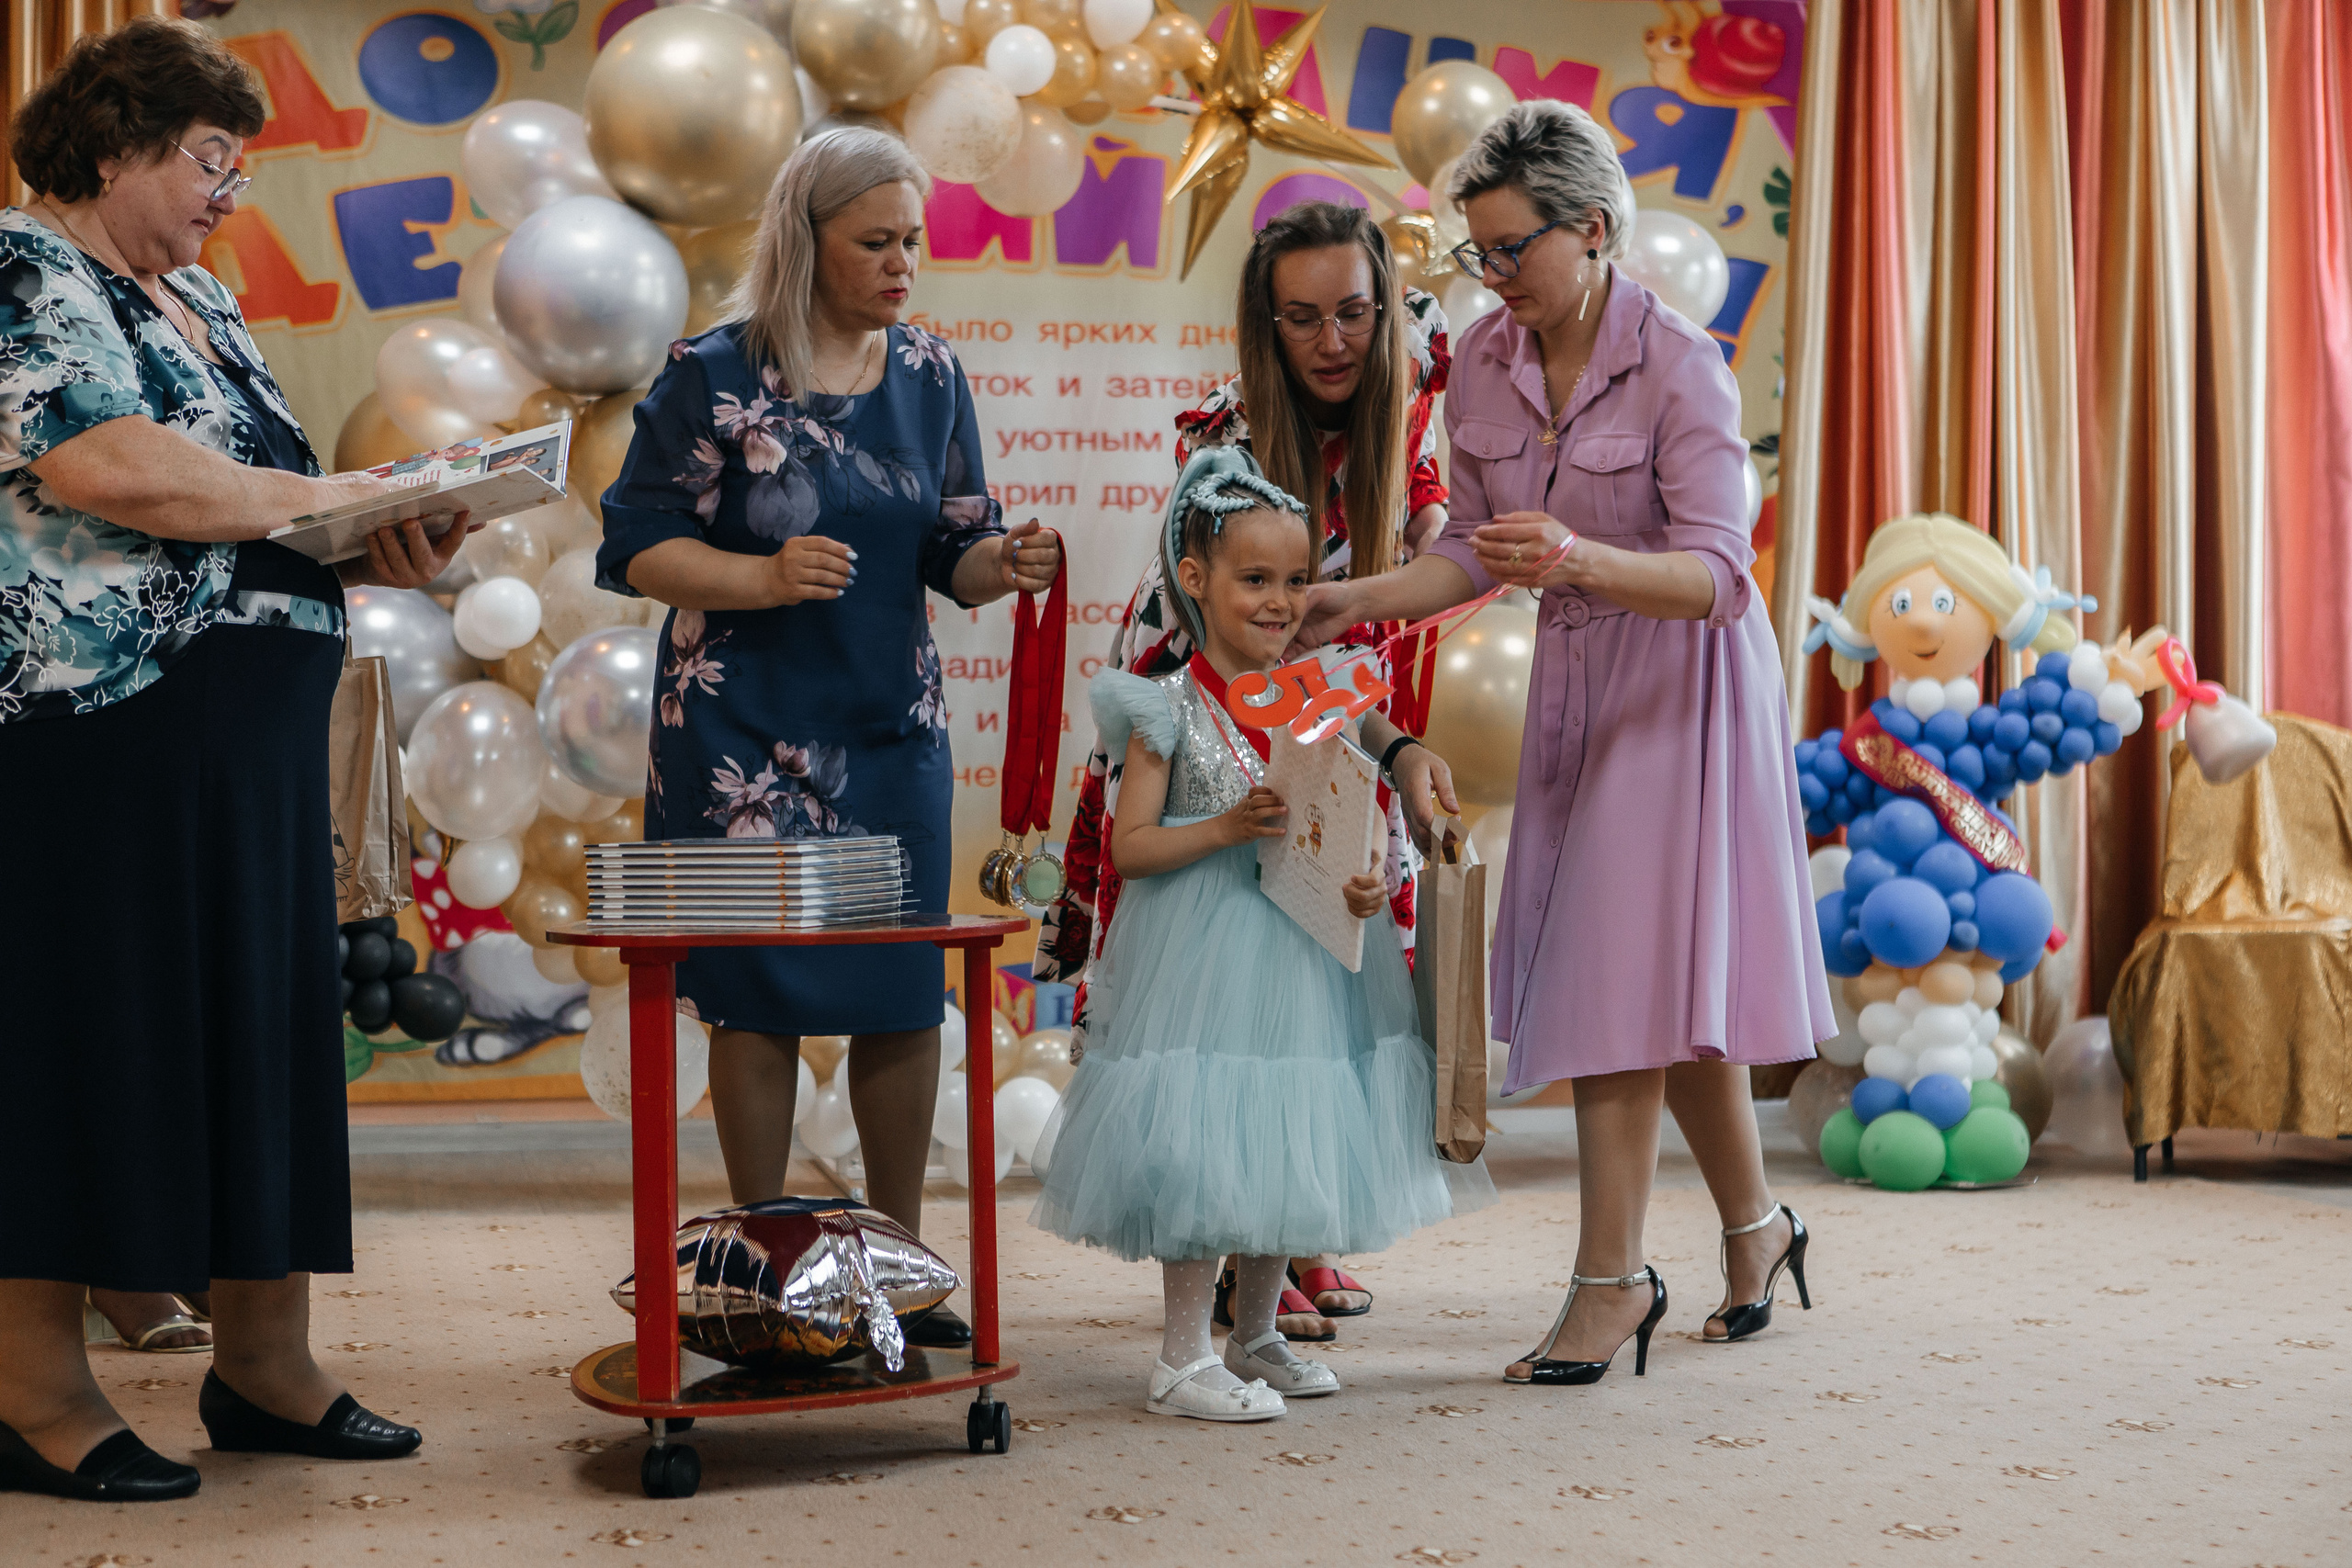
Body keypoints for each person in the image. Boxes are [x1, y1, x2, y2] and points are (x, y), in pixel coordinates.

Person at [1291, 101, 1835, 1385]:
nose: (1491, 277)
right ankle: (1760, 1229)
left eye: (1510, 248)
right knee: (1659, 983)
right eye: (1475, 251)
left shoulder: (1683, 362)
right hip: (1578, 678)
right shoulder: (1483, 358)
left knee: (1610, 970)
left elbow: (1718, 580)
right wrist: (1355, 598)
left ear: (1591, 230)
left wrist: (1581, 557)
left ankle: (1611, 1280)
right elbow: (1470, 547)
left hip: (1686, 684)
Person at [0, 17, 450, 1501]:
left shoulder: (203, 301)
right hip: (104, 730)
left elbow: (255, 496)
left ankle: (266, 1366)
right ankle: (33, 1391)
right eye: (210, 157)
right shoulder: (27, 269)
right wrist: (313, 493)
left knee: (264, 1041)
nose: (230, 191)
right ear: (118, 138)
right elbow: (104, 463)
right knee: (91, 1039)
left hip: (248, 737)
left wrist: (380, 529)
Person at [597, 128, 1055, 1350]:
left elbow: (952, 542)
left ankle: (897, 1270)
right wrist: (757, 572)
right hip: (736, 733)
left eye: (914, 238)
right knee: (757, 995)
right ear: (807, 241)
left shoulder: (931, 370)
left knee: (901, 995)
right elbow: (633, 541)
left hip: (888, 728)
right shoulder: (711, 370)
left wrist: (1000, 565)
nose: (906, 261)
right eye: (878, 241)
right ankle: (775, 1276)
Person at [1036, 201, 1454, 1337]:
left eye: (1355, 315)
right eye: (1303, 319)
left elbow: (1438, 546)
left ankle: (1297, 1226)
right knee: (1225, 992)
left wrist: (1382, 703)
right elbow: (1205, 602)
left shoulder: (1416, 401)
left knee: (1331, 962)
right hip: (1215, 690)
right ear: (1264, 325)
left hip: (1344, 692)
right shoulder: (1223, 432)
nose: (1333, 343)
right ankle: (1229, 1256)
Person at [1031, 447, 1493, 1423]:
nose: (1279, 602)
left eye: (1294, 581)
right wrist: (1226, 828)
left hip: (1308, 953)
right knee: (1208, 1139)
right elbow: (1135, 847)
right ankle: (1180, 1354)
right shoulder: (1164, 706)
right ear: (1193, 581)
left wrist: (1362, 887)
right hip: (1205, 953)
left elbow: (1345, 819)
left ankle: (1256, 1333)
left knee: (1288, 1129)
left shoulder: (1325, 695)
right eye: (1254, 580)